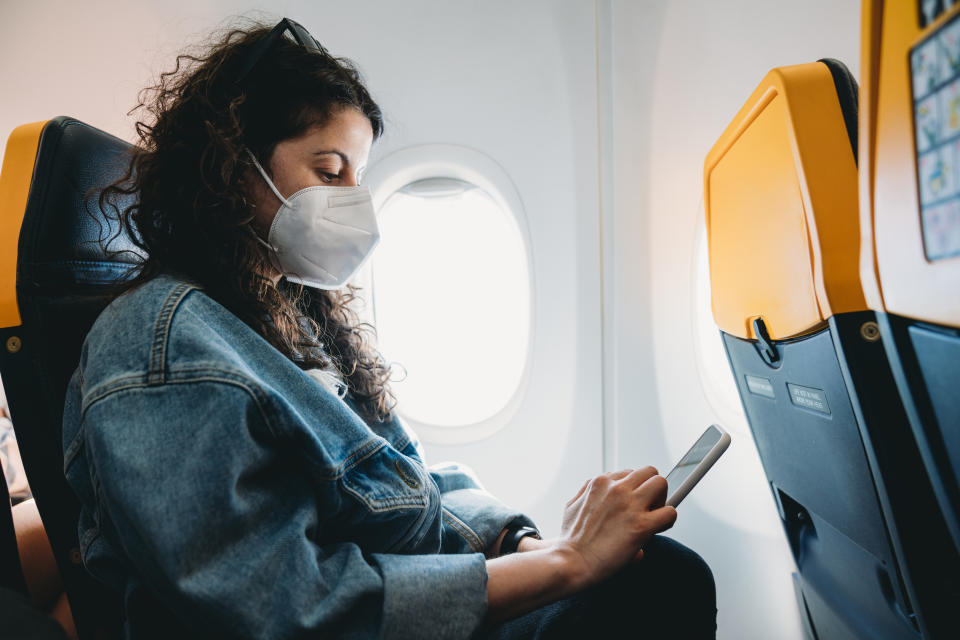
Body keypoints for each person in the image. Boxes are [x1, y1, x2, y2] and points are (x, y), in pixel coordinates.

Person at [61, 18, 716, 639]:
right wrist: (566, 564)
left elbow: (408, 485)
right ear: (233, 168)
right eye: (329, 171)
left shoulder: (285, 321)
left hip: (411, 599)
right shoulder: (162, 351)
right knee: (660, 585)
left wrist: (519, 543)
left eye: (360, 176)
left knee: (655, 571)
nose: (352, 199)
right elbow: (292, 613)